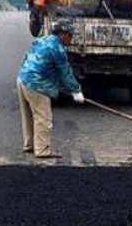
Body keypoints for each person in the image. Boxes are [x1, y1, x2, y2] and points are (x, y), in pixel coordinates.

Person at [17, 19, 85, 159]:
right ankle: (42, 150)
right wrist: (76, 91)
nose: (71, 39)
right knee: (43, 117)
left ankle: (29, 145)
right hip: (37, 85)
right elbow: (65, 73)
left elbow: (26, 57)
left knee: (29, 115)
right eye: (70, 35)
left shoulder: (43, 40)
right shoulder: (58, 49)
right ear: (62, 34)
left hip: (23, 78)